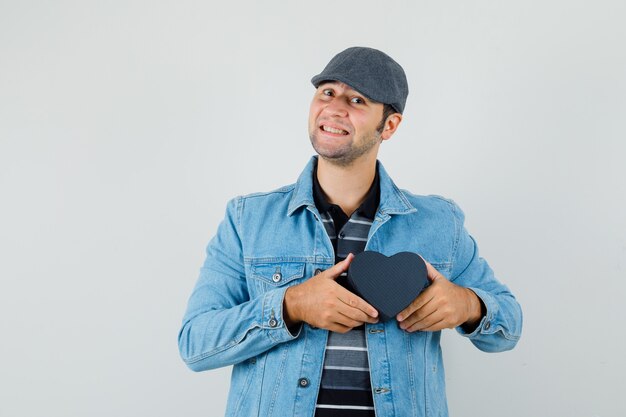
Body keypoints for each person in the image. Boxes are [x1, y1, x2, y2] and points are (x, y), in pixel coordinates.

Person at [178, 46, 523, 417]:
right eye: (327, 92)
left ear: (388, 126)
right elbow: (196, 344)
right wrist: (289, 306)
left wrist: (469, 305)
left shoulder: (440, 222)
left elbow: (509, 328)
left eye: (357, 99)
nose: (335, 107)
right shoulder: (248, 218)